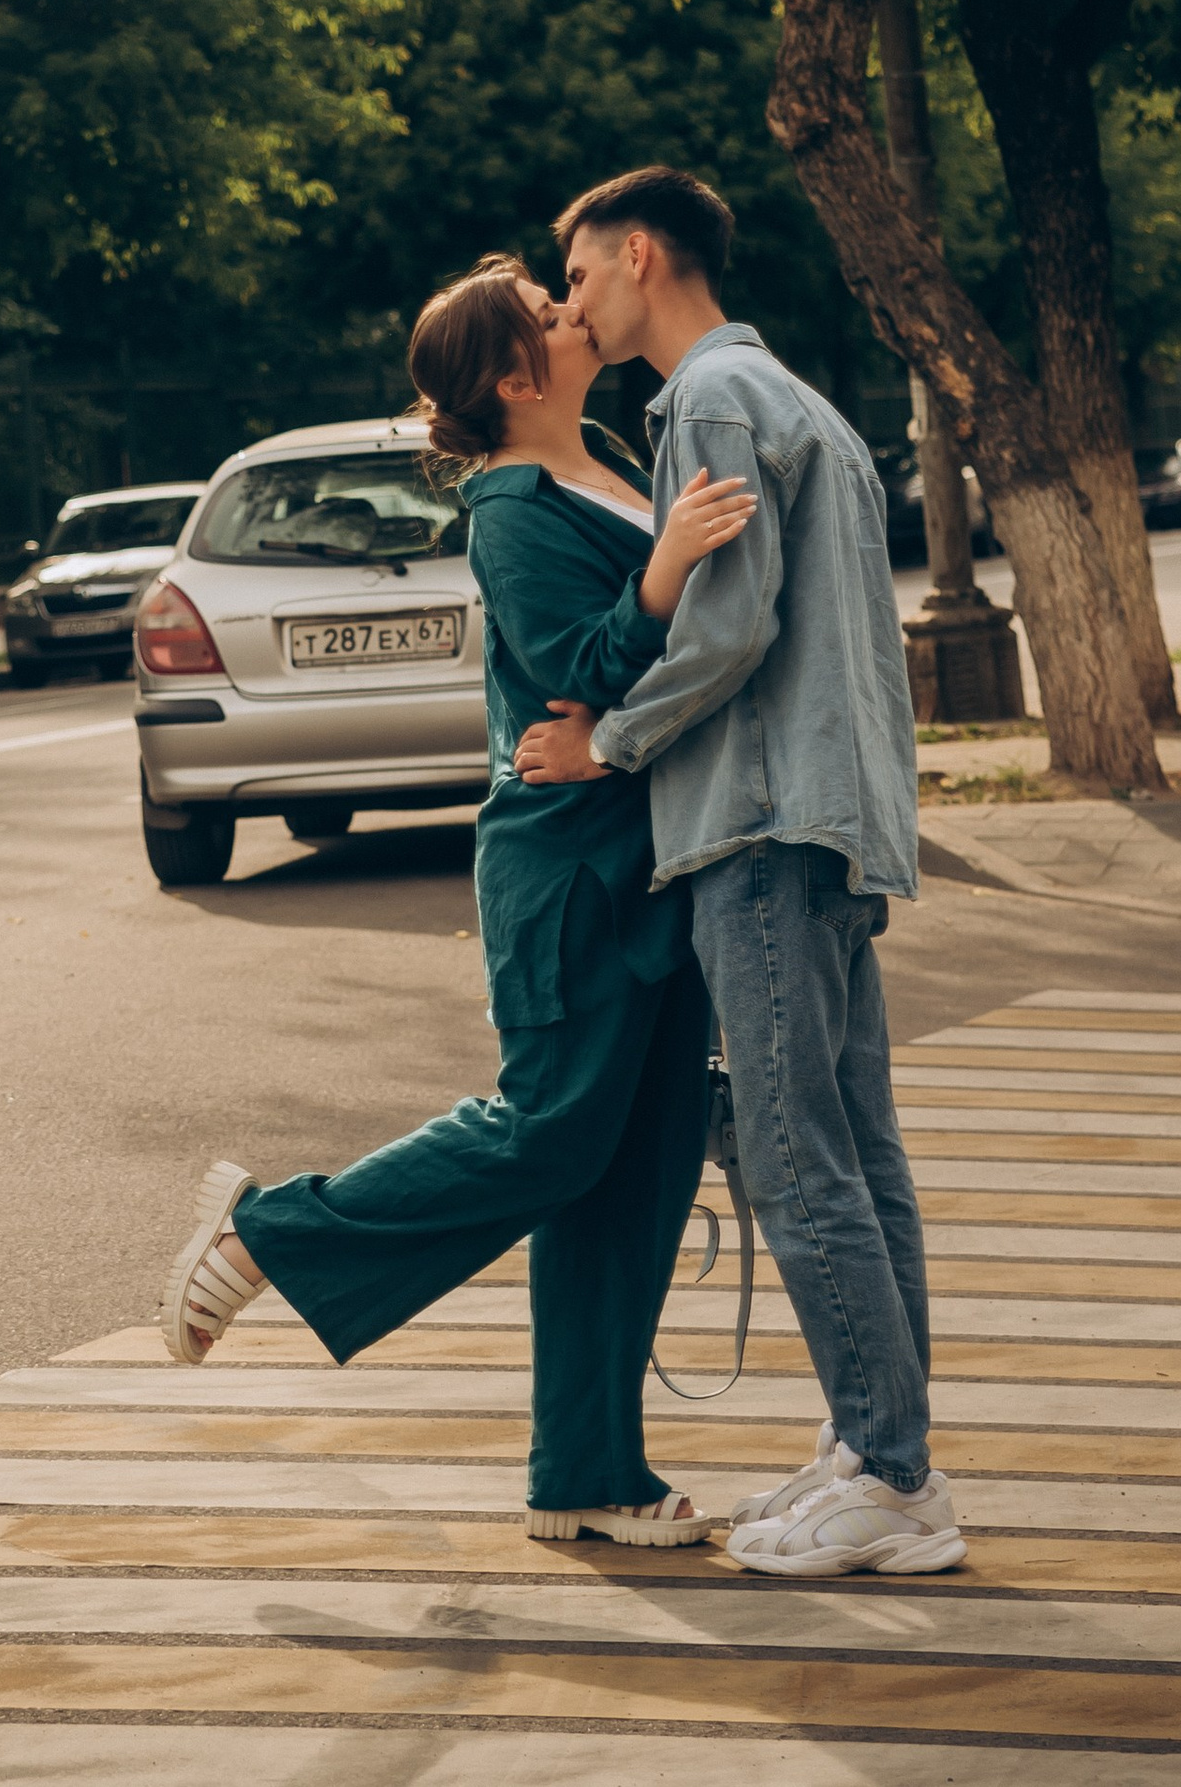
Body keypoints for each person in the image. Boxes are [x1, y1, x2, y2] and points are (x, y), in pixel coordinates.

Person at [156, 256, 758, 1544]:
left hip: (649, 858)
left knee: (633, 1177)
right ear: (509, 374)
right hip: (567, 870)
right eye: (546, 309)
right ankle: (272, 1231)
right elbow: (576, 671)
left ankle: (585, 1474)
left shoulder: (600, 455)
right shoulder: (512, 507)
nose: (569, 306)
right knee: (549, 1133)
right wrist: (670, 571)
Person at [516, 165, 963, 1580]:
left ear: (640, 254)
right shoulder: (795, 397)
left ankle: (892, 1479)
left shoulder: (709, 403)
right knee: (859, 1151)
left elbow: (727, 628)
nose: (571, 300)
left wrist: (610, 743)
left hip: (761, 821)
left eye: (577, 273)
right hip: (831, 819)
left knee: (792, 1153)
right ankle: (878, 1447)